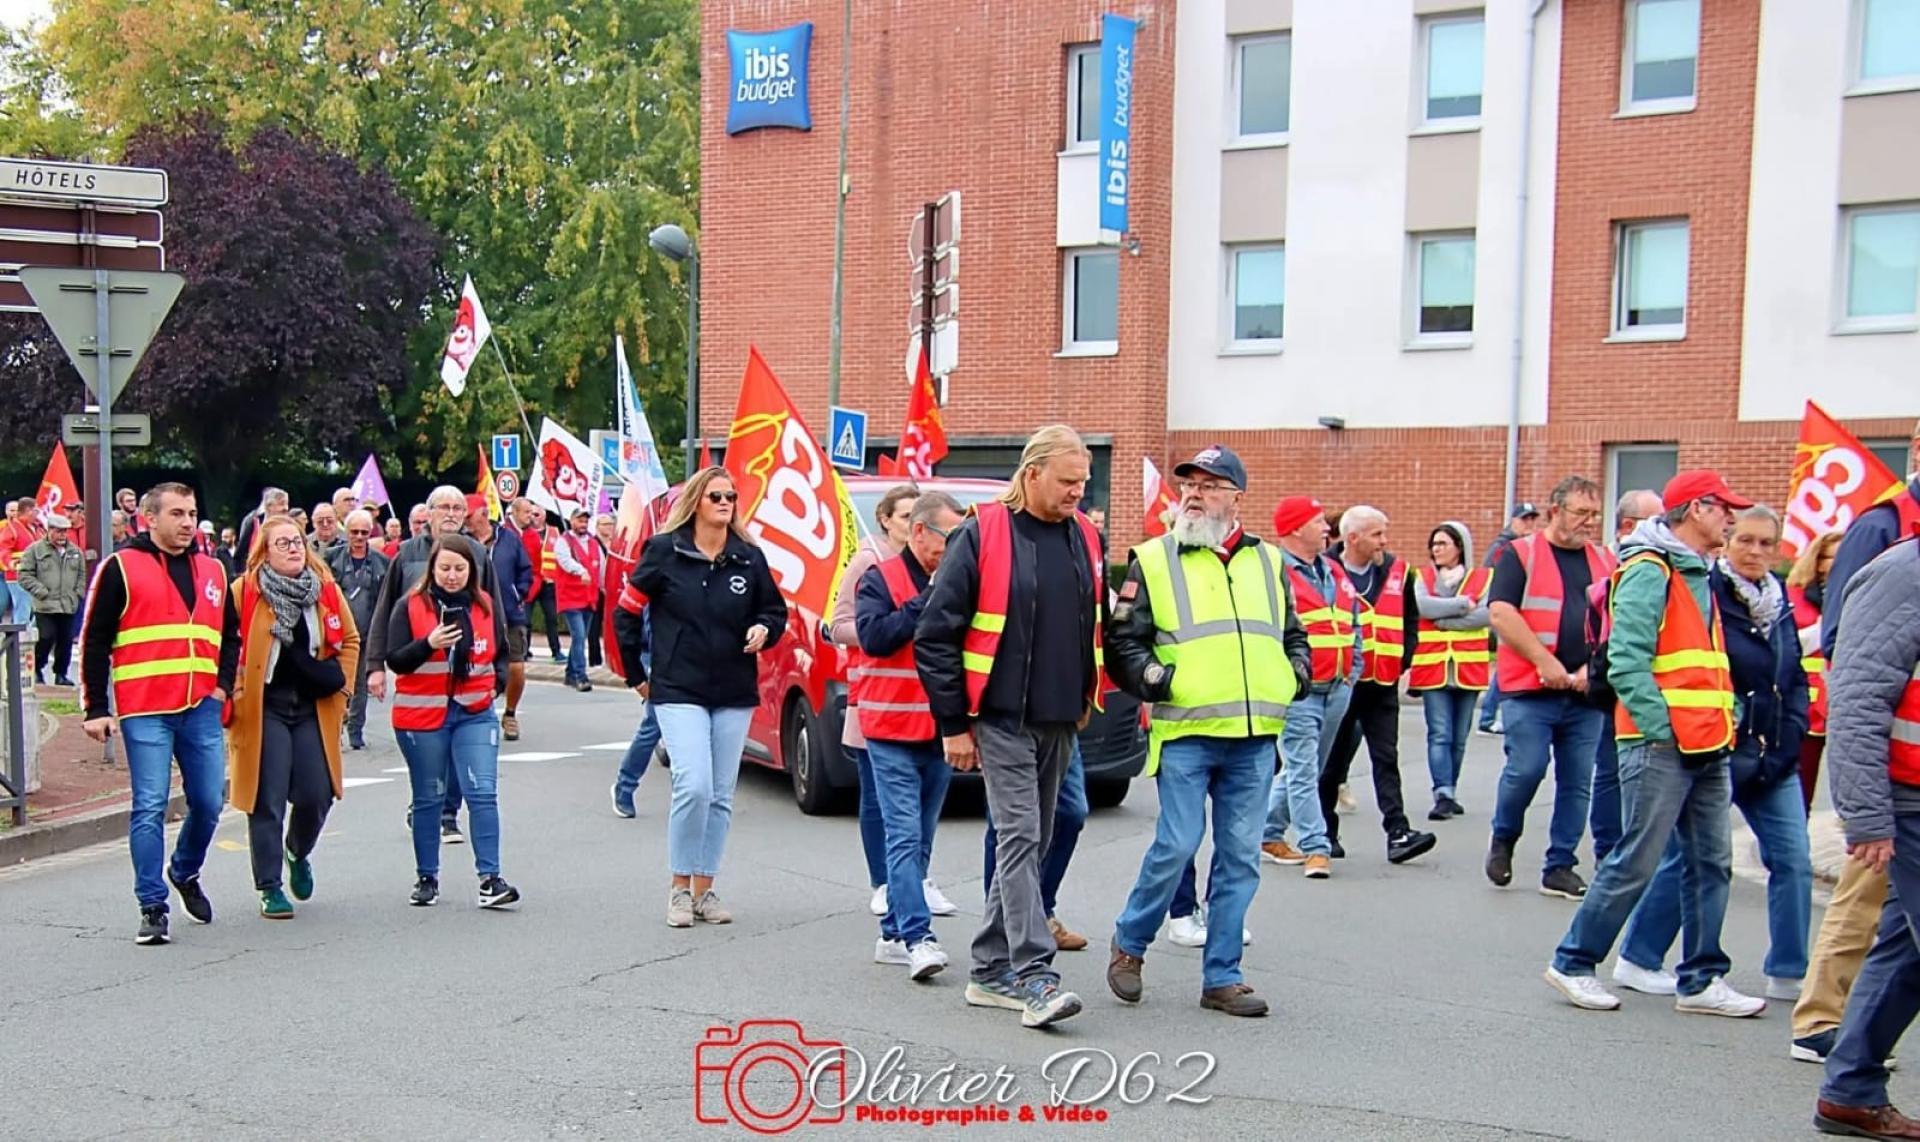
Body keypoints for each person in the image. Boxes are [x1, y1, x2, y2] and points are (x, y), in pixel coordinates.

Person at [1545, 470, 1764, 1017]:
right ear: (1694, 510)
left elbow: (1703, 665)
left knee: (1712, 861)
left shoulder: (1696, 572)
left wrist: (1725, 715)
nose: (1731, 519)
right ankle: (1573, 961)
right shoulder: (1651, 569)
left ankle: (1701, 979)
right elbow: (1626, 661)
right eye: (1722, 509)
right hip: (1663, 743)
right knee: (1636, 859)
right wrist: (1663, 727)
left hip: (1705, 741)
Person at [1104, 446, 1308, 1018]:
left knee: (1241, 857)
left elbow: (1292, 631)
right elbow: (1123, 640)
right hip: (1188, 731)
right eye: (1189, 484)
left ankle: (1222, 977)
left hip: (1255, 735)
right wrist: (1156, 680)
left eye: (1210, 484)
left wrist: (1296, 672)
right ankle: (1129, 944)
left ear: (1237, 497)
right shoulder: (1153, 558)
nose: (1194, 493)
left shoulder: (1268, 561)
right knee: (1177, 844)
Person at [916, 425, 1104, 1029]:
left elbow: (1087, 621)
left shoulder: (1084, 536)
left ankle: (989, 968)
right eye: (1069, 480)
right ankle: (1033, 974)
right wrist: (953, 724)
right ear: (1031, 474)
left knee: (1037, 838)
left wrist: (1087, 692)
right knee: (1020, 836)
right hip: (999, 717)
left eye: (1084, 481)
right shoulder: (983, 531)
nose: (1079, 491)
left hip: (1058, 717)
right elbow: (935, 633)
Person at [1611, 505, 1811, 1003]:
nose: (1756, 552)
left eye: (1767, 543)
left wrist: (1794, 729)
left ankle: (1788, 972)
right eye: (1745, 540)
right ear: (1727, 542)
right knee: (1688, 861)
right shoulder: (1707, 590)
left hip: (1774, 755)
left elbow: (1794, 676)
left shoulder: (1778, 600)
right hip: (1714, 746)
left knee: (1794, 860)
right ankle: (1638, 958)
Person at [1792, 430, 1920, 1068]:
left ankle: (1850, 1079)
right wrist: (1867, 804)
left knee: (1896, 933)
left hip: (1894, 774)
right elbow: (1856, 665)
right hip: (1896, 780)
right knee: (1862, 893)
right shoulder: (1886, 534)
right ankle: (1819, 1019)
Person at [617, 467, 785, 928]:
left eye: (731, 496)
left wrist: (764, 629)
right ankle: (678, 887)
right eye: (716, 496)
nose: (725, 502)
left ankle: (705, 890)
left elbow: (774, 609)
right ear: (696, 501)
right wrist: (637, 676)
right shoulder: (663, 552)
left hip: (733, 689)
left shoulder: (748, 557)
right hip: (678, 688)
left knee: (720, 795)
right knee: (693, 784)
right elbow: (625, 613)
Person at [80, 483, 240, 946]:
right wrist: (95, 707)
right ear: (149, 518)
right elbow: (94, 639)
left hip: (200, 707)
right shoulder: (121, 568)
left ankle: (184, 871)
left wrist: (222, 687)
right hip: (145, 707)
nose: (188, 522)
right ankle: (152, 905)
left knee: (210, 802)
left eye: (192, 513)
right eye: (177, 513)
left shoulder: (213, 568)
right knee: (149, 806)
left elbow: (229, 636)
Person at [1811, 536, 1920, 1137]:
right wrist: (1868, 815)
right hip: (1912, 797)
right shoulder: (1903, 573)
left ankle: (1849, 1090)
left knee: (1904, 950)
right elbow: (1856, 698)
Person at [855, 491, 969, 981]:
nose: (956, 547)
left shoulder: (963, 579)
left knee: (920, 838)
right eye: (950, 537)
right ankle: (919, 938)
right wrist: (928, 601)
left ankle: (892, 932)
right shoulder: (879, 578)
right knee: (903, 836)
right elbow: (874, 636)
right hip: (891, 728)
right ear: (919, 532)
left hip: (942, 729)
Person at [1485, 476, 1616, 900]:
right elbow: (1503, 613)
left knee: (1577, 781)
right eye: (1581, 513)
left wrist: (1584, 670)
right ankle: (1504, 838)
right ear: (1555, 510)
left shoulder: (1604, 561)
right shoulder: (1520, 554)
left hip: (1583, 691)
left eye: (1594, 515)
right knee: (1526, 768)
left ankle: (1560, 865)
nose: (1589, 523)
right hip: (1530, 689)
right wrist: (1546, 663)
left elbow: (1615, 621)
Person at [228, 515, 358, 919]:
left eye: (297, 542)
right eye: (282, 543)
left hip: (311, 706)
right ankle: (269, 886)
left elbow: (349, 640)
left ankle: (297, 851)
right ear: (264, 551)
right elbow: (226, 645)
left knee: (317, 793)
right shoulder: (244, 592)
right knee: (266, 797)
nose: (293, 549)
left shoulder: (325, 591)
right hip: (264, 706)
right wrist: (233, 690)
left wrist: (344, 690)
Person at [382, 535, 519, 910]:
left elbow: (502, 650)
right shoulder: (410, 605)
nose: (453, 575)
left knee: (482, 793)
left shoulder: (485, 604)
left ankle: (490, 879)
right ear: (432, 569)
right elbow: (396, 659)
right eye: (445, 568)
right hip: (422, 715)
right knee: (430, 797)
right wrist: (429, 642)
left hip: (473, 712)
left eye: (460, 569)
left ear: (472, 571)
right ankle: (427, 877)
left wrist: (497, 685)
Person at [364, 485, 507, 845]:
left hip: (467, 680)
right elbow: (385, 612)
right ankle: (427, 807)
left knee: (464, 750)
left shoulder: (476, 553)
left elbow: (495, 611)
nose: (452, 514)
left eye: (458, 508)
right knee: (431, 760)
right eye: (444, 506)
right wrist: (375, 665)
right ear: (428, 513)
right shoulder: (407, 554)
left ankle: (447, 813)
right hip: (422, 678)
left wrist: (502, 672)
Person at [828, 484, 939, 918]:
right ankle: (883, 883)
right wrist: (887, 630)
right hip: (873, 696)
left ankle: (915, 881)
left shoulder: (939, 568)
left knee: (923, 804)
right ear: (888, 521)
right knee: (880, 799)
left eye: (919, 513)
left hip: (924, 705)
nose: (913, 522)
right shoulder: (869, 565)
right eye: (905, 514)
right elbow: (841, 626)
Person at [1317, 506, 1437, 866]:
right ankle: (1325, 831)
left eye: (1384, 533)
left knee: (1386, 757)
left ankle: (1398, 832)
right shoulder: (1325, 570)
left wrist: (1405, 659)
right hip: (1343, 679)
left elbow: (1410, 618)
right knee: (1333, 759)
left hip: (1383, 680)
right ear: (1352, 538)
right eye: (1376, 534)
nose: (1384, 541)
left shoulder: (1400, 571)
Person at [1262, 496, 1351, 877]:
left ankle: (1267, 831)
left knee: (1305, 770)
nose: (1326, 528)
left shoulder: (1333, 571)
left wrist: (1353, 668)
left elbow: (1353, 622)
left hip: (1337, 686)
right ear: (1296, 529)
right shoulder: (1274, 571)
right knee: (1301, 767)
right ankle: (1318, 846)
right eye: (1318, 522)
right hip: (1299, 690)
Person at [1590, 489, 1665, 865]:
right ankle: (1609, 851)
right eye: (1656, 519)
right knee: (1609, 770)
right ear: (1628, 526)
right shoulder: (1624, 561)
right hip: (1616, 677)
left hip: (1645, 677)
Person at [1409, 521, 1491, 820]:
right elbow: (1421, 607)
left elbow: (1485, 615)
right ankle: (1442, 792)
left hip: (1468, 669)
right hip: (1433, 668)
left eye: (1443, 543)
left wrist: (1443, 619)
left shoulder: (1483, 578)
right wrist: (1461, 605)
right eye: (1434, 544)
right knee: (1440, 733)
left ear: (1460, 547)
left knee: (1459, 736)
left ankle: (1451, 788)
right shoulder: (1422, 577)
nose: (1437, 550)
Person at [467, 497, 533, 741]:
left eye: (469, 515)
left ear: (483, 514)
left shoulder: (509, 539)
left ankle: (511, 713)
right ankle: (478, 715)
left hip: (509, 613)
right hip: (474, 616)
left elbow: (526, 570)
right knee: (477, 667)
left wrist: (519, 594)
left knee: (516, 666)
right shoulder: (463, 541)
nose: (465, 521)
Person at [325, 509, 391, 750]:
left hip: (368, 631)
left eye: (365, 532)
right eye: (355, 532)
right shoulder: (331, 558)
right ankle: (334, 727)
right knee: (337, 681)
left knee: (361, 685)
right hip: (337, 633)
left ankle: (355, 730)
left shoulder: (382, 562)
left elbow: (386, 599)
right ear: (347, 532)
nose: (360, 537)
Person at [1787, 531, 1841, 814]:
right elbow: (1790, 643)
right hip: (1808, 710)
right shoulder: (1795, 595)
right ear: (1818, 562)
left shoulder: (1857, 592)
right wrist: (1827, 623)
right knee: (1800, 788)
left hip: (1844, 708)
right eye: (1835, 556)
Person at [1478, 501, 1540, 735]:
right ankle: (1488, 716)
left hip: (1518, 611)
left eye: (1533, 519)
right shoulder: (1503, 548)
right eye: (1525, 519)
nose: (1529, 524)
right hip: (1504, 611)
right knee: (1509, 660)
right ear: (1513, 521)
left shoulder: (1526, 546)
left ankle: (1489, 715)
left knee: (1510, 661)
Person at [17, 514, 85, 686]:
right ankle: (38, 668)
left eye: (65, 532)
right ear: (50, 531)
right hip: (45, 604)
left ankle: (61, 673)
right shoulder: (35, 550)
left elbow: (81, 574)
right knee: (45, 637)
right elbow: (24, 574)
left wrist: (78, 592)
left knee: (66, 640)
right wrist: (40, 591)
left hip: (67, 604)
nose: (63, 536)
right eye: (59, 532)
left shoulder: (75, 552)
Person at [554, 507, 604, 691]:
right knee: (579, 636)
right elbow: (565, 561)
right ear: (571, 521)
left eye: (585, 521)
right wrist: (580, 570)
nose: (583, 524)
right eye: (579, 520)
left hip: (589, 598)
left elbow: (601, 566)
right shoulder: (563, 542)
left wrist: (604, 586)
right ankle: (580, 676)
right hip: (570, 597)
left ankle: (569, 673)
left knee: (579, 638)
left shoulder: (593, 542)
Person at [0, 498, 43, 624]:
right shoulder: (11, 528)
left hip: (37, 575)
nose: (38, 513)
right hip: (18, 575)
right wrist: (10, 563)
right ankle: (21, 640)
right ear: (28, 511)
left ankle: (29, 638)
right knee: (23, 608)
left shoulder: (38, 528)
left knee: (40, 609)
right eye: (36, 510)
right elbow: (3, 550)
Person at [588, 513, 617, 670]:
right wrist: (602, 586)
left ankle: (612, 658)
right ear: (598, 526)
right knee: (595, 624)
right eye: (605, 524)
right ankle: (595, 658)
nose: (609, 527)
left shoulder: (616, 543)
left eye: (611, 524)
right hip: (597, 589)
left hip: (613, 589)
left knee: (612, 624)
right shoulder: (593, 543)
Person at [236, 486, 289, 560]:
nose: (286, 508)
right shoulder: (254, 523)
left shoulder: (289, 527)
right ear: (269, 506)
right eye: (281, 504)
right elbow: (241, 553)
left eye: (287, 504)